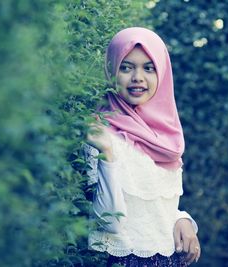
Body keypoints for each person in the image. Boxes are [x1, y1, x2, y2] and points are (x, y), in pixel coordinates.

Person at [84, 27, 201, 266]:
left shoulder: (166, 136)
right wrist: (107, 154)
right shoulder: (100, 134)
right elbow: (109, 222)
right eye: (126, 67)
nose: (138, 77)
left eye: (149, 68)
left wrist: (183, 219)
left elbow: (156, 208)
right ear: (112, 70)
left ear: (163, 74)